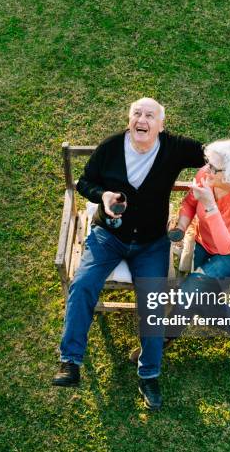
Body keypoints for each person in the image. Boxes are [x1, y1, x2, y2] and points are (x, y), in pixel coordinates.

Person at [52, 98, 205, 410]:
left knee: (151, 303)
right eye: (137, 113)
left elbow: (211, 156)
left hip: (151, 243)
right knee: (82, 285)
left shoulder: (174, 147)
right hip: (108, 236)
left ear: (161, 125)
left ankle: (149, 374)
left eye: (150, 115)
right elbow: (85, 182)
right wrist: (103, 195)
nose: (142, 119)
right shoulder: (110, 147)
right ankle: (70, 362)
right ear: (129, 119)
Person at [131, 139, 230, 363]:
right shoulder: (207, 175)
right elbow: (189, 203)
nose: (206, 170)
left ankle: (161, 339)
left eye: (214, 168)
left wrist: (211, 205)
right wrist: (182, 226)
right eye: (208, 163)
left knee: (189, 294)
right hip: (205, 241)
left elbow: (227, 246)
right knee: (201, 301)